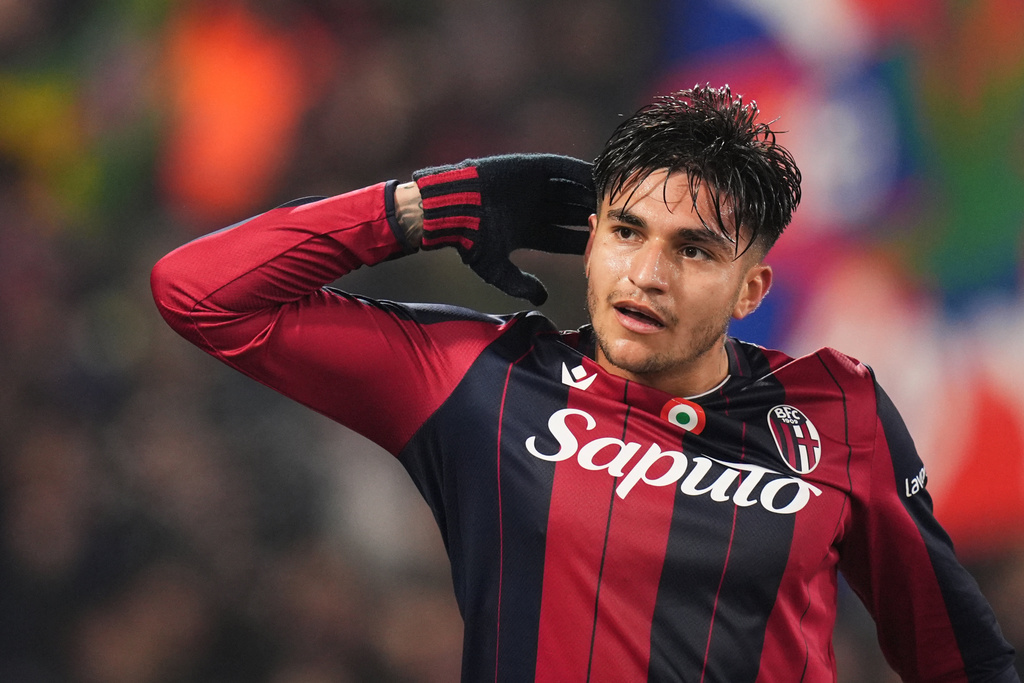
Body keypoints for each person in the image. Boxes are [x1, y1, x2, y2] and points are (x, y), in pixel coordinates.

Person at [151, 85, 1018, 682]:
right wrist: (424, 204)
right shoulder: (480, 381)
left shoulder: (839, 411)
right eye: (629, 232)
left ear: (752, 288)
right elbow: (199, 293)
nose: (647, 274)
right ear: (590, 236)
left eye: (694, 250)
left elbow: (961, 660)